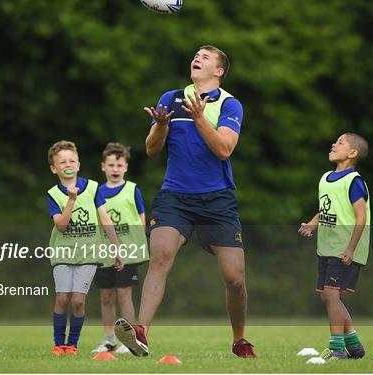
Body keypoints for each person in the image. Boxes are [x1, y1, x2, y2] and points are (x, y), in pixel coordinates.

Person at [115, 45, 256, 358]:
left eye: (206, 57)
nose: (198, 58)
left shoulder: (230, 104)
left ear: (218, 71)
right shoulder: (170, 98)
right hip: (175, 196)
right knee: (161, 255)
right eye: (196, 55)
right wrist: (162, 125)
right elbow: (151, 149)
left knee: (234, 278)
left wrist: (199, 117)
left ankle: (239, 339)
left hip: (218, 200)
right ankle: (141, 332)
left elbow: (224, 149)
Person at [47, 140, 123, 355]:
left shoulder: (92, 187)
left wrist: (116, 247)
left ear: (78, 164)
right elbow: (61, 226)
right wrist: (71, 200)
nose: (67, 164)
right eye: (62, 162)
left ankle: (72, 345)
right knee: (62, 297)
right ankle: (58, 344)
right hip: (63, 253)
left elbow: (105, 218)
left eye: (71, 160)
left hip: (89, 253)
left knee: (78, 300)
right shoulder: (54, 194)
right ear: (54, 168)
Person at [298, 133, 370, 360]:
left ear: (352, 153)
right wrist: (311, 225)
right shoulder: (326, 178)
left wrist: (350, 249)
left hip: (345, 248)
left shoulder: (354, 181)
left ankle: (337, 348)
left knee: (330, 295)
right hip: (327, 247)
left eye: (340, 142)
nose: (333, 144)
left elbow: (361, 217)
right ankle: (355, 347)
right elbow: (327, 209)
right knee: (329, 296)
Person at [92, 142, 149, 354]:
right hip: (105, 253)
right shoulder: (96, 192)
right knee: (106, 297)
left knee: (125, 295)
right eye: (111, 164)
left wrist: (138, 240)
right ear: (103, 167)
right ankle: (109, 340)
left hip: (127, 253)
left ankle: (129, 340)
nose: (115, 169)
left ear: (125, 167)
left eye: (119, 165)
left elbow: (141, 216)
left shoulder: (133, 189)